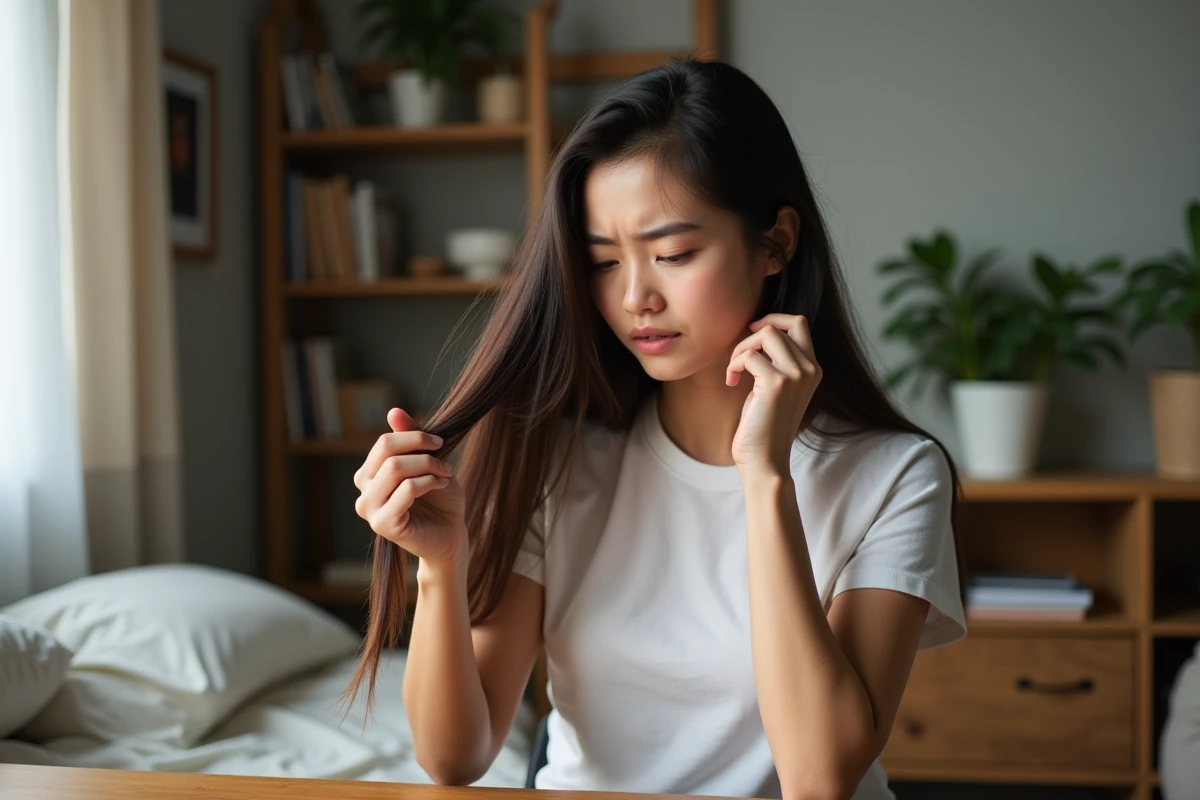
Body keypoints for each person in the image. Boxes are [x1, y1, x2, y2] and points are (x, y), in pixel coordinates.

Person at [348, 57, 967, 800]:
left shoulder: (896, 475)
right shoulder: (560, 457)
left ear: (775, 242)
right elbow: (454, 758)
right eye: (603, 262)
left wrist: (764, 476)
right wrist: (441, 569)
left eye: (674, 254)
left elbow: (819, 779)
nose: (636, 295)